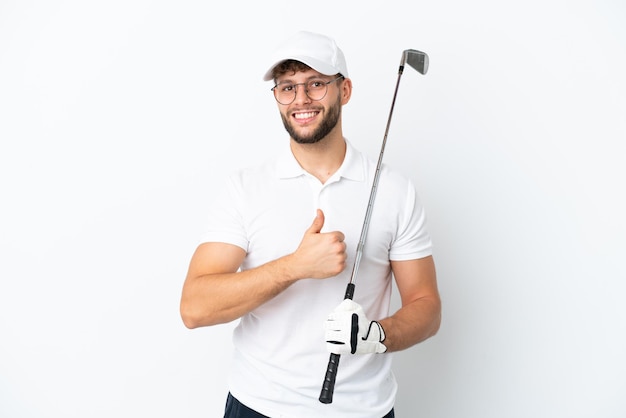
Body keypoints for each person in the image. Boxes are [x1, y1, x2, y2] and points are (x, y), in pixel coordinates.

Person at [180, 30, 441, 418]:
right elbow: (194, 308)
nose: (300, 99)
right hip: (258, 405)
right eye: (287, 87)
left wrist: (378, 336)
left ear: (345, 90)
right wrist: (295, 266)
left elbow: (427, 305)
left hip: (363, 410)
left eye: (315, 84)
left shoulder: (394, 190)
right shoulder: (245, 188)